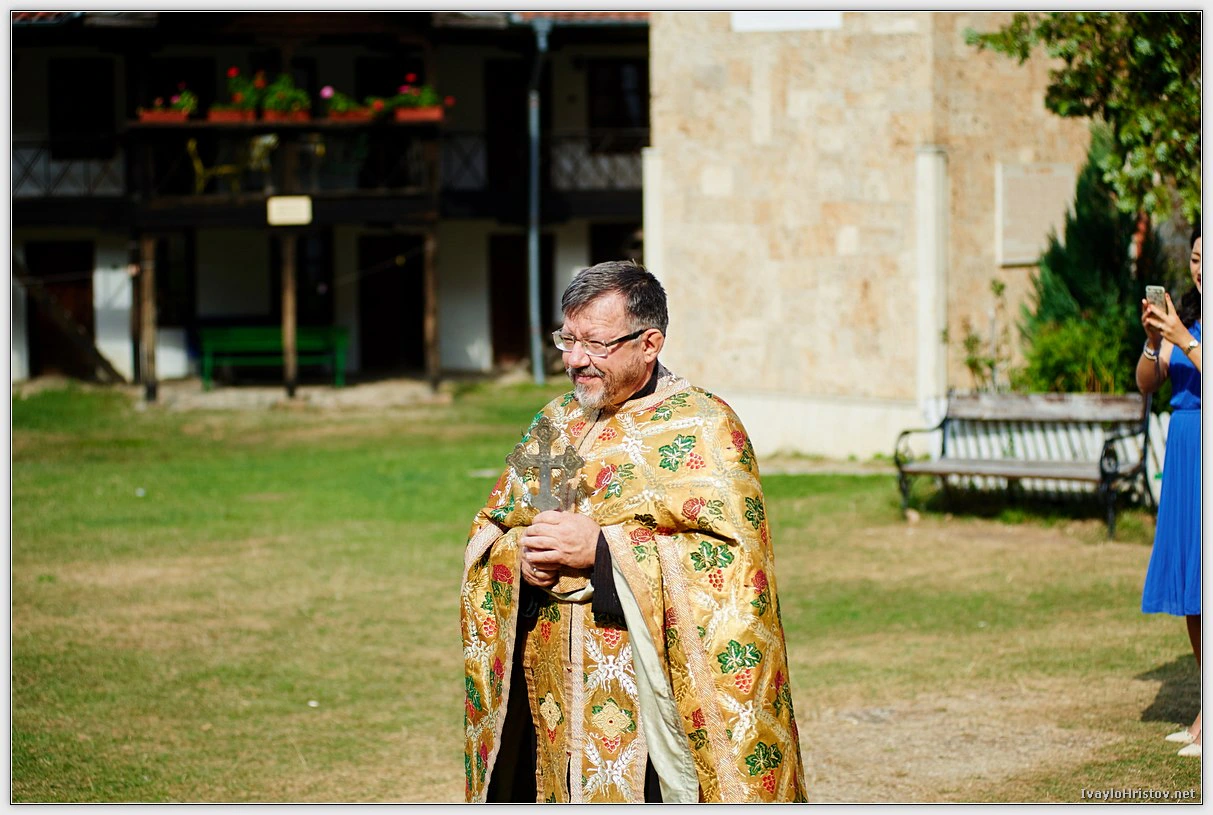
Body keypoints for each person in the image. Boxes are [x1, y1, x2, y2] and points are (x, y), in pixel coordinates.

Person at [460, 261, 807, 802]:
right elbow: (493, 528)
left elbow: (734, 571)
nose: (575, 359)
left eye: (595, 344)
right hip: (550, 706)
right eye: (567, 339)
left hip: (651, 707)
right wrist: (518, 557)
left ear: (649, 343)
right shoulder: (555, 422)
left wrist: (601, 551)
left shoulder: (705, 426)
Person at [1137, 225, 1202, 758]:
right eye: (1197, 258)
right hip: (1183, 451)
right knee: (1191, 588)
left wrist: (1184, 339)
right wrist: (1155, 341)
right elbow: (1147, 382)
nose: (1201, 269)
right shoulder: (1187, 314)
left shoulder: (1190, 329)